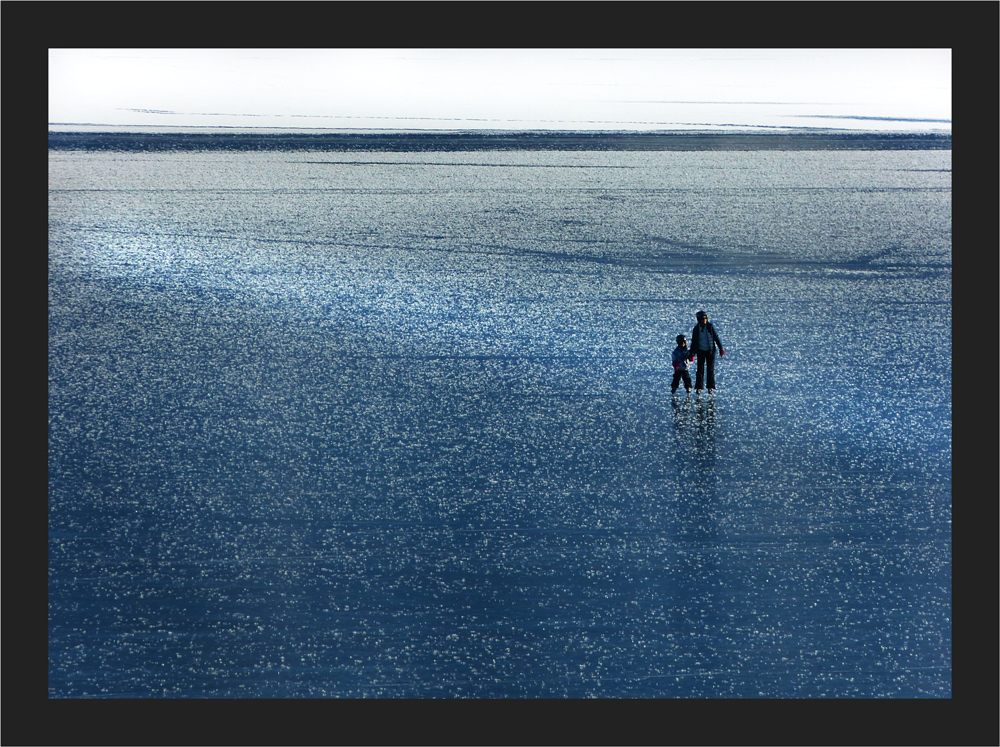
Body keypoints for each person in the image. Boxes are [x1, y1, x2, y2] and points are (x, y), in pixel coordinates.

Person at [690, 310, 725, 393]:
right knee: (700, 369)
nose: (704, 321)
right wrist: (692, 353)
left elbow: (716, 338)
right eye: (703, 319)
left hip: (710, 351)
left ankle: (710, 387)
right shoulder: (696, 329)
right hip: (700, 350)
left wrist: (721, 348)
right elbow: (694, 342)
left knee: (710, 369)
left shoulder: (710, 327)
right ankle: (699, 387)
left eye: (705, 319)